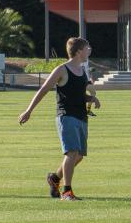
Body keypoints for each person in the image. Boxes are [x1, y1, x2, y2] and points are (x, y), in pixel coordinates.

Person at [18, 36, 100, 201]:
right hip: (66, 116)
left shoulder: (82, 70)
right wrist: (29, 110)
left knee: (78, 156)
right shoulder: (61, 70)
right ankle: (67, 191)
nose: (89, 50)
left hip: (81, 116)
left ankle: (55, 178)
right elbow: (43, 90)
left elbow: (79, 95)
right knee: (71, 153)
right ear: (78, 51)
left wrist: (92, 99)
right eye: (87, 47)